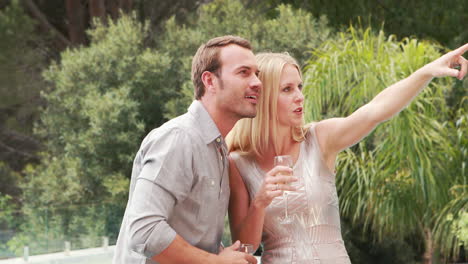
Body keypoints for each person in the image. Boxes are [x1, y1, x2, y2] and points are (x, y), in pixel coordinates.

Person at [226, 44, 468, 263]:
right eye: (287, 89)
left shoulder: (319, 139)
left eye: (299, 87)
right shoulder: (238, 163)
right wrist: (260, 202)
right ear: (265, 98)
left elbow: (375, 111)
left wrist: (426, 71)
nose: (299, 96)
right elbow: (245, 247)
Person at [113, 35, 261, 264]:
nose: (257, 82)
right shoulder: (178, 139)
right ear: (210, 81)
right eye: (244, 72)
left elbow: (193, 236)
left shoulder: (218, 149)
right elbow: (144, 231)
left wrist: (220, 255)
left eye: (256, 74)